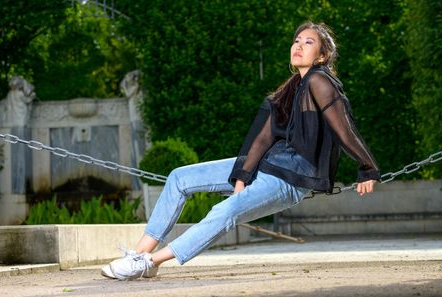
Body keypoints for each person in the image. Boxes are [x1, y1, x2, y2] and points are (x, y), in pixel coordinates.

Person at [101, 22, 380, 280]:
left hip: (288, 179)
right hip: (266, 165)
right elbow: (262, 138)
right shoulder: (291, 89)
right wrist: (242, 176)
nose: (298, 46)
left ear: (321, 56)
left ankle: (151, 263)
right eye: (296, 40)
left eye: (308, 42)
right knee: (179, 178)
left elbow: (343, 127)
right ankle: (139, 254)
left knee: (225, 210)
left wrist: (367, 167)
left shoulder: (320, 80)